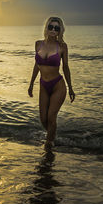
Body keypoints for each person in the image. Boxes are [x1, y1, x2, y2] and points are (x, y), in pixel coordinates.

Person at [28, 16, 75, 150]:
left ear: (60, 30)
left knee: (51, 116)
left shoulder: (62, 46)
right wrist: (31, 84)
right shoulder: (38, 44)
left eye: (56, 28)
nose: (53, 30)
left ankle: (49, 144)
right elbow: (37, 65)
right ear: (46, 28)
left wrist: (70, 88)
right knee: (43, 119)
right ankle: (53, 136)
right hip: (43, 84)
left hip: (57, 85)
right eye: (51, 27)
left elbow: (65, 67)